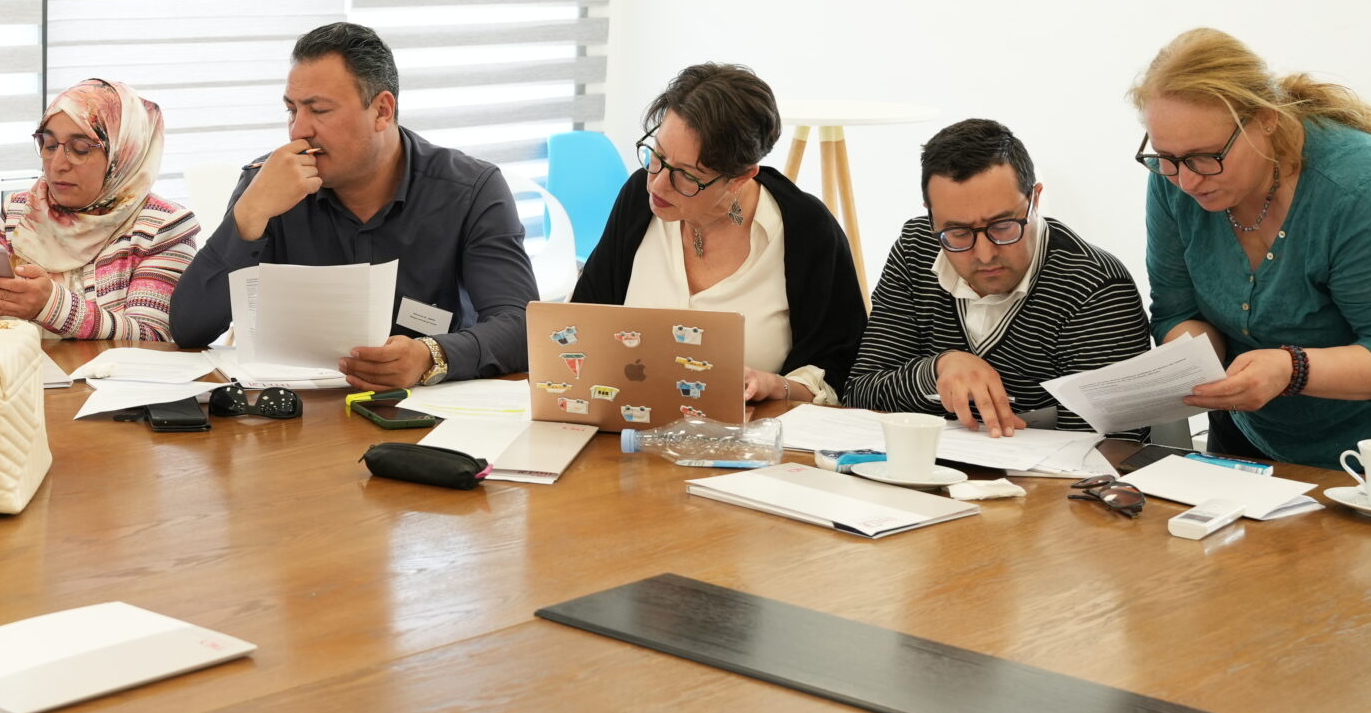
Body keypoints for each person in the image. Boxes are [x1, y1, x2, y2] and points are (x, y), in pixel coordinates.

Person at [1133, 28, 1371, 468]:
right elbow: (1177, 311)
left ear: (1266, 119)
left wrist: (1288, 369)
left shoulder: (1358, 189)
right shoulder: (1174, 178)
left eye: (1206, 156)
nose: (1187, 181)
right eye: (1166, 157)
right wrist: (1196, 366)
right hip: (1252, 424)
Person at [168, 23, 536, 389]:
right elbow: (189, 330)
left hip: (430, 406)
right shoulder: (269, 185)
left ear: (382, 111)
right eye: (292, 110)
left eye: (319, 110)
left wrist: (431, 356)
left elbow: (522, 327)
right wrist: (248, 216)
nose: (298, 130)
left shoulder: (470, 190)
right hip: (301, 409)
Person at [572, 64, 863, 407]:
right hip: (630, 425)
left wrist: (775, 385)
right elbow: (582, 321)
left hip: (755, 434)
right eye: (657, 155)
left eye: (687, 175)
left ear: (740, 178)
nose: (658, 184)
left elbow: (841, 372)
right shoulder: (639, 200)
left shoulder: (806, 229)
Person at [846, 118, 1151, 436]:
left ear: (1035, 199)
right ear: (931, 215)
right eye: (958, 232)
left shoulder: (1095, 288)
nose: (985, 254)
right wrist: (938, 369)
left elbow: (1111, 446)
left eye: (1003, 226)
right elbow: (859, 394)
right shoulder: (917, 248)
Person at [0, 79, 200, 342]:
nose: (57, 164)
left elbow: (152, 338)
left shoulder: (164, 226)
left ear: (123, 154)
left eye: (80, 149)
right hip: (20, 367)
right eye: (49, 145)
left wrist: (51, 306)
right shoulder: (20, 211)